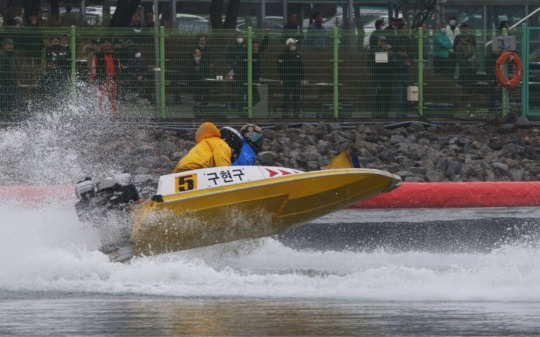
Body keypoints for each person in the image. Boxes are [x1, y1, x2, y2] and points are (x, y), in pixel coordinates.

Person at [90, 37, 122, 115]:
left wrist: (118, 76)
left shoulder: (115, 54)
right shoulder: (97, 55)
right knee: (101, 97)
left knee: (113, 97)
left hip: (113, 79)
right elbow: (94, 67)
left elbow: (118, 66)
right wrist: (92, 78)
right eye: (106, 42)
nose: (107, 44)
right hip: (102, 80)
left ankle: (113, 113)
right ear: (102, 45)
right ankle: (101, 113)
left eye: (109, 42)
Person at [278, 38, 304, 118]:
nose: (294, 46)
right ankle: (284, 115)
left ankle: (296, 115)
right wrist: (282, 78)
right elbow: (279, 68)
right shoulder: (283, 55)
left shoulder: (297, 55)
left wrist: (301, 78)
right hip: (287, 79)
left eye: (295, 44)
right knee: (286, 97)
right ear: (288, 44)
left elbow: (301, 67)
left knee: (296, 97)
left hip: (296, 80)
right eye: (293, 44)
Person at [0, 38, 18, 114]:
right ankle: (3, 108)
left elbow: (16, 67)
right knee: (3, 94)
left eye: (11, 45)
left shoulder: (13, 54)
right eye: (8, 45)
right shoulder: (2, 55)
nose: (10, 46)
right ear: (4, 46)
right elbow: (2, 68)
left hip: (12, 78)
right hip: (4, 79)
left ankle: (11, 108)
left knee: (12, 94)